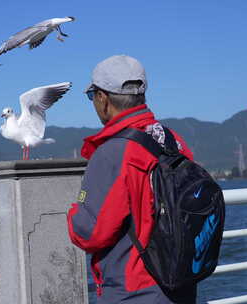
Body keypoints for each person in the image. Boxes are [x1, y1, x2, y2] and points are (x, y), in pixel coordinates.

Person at [66, 55, 196, 303]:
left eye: (92, 96)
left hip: (134, 289)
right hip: (180, 282)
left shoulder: (113, 152)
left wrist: (73, 213)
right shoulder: (172, 140)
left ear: (103, 98)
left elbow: (92, 233)